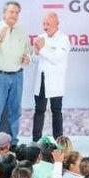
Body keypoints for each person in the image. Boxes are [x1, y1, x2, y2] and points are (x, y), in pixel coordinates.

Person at [0, 1, 29, 144]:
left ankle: (13, 142)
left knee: (15, 111)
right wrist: (0, 38)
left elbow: (28, 51)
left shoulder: (21, 31)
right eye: (11, 12)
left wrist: (27, 57)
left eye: (17, 12)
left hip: (17, 75)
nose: (14, 15)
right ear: (4, 13)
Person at [31, 12, 69, 142]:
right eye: (44, 23)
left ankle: (59, 141)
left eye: (48, 24)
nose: (45, 26)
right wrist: (35, 53)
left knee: (56, 110)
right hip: (41, 79)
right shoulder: (41, 37)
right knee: (39, 110)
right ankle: (36, 140)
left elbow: (57, 58)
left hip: (55, 81)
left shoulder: (63, 39)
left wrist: (41, 49)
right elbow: (36, 59)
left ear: (56, 25)